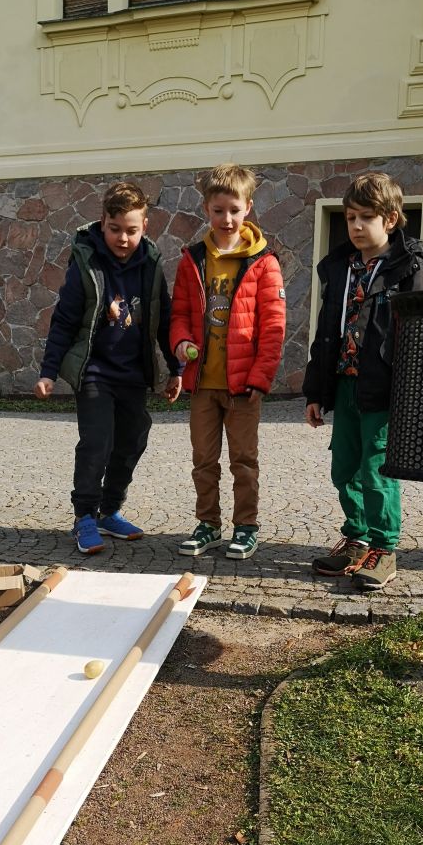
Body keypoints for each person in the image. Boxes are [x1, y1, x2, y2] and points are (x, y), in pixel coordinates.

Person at [34, 180, 181, 554]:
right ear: (103, 223)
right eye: (115, 229)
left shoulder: (151, 265)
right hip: (95, 373)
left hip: (133, 374)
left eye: (131, 230)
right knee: (97, 442)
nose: (123, 238)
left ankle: (109, 510)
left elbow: (163, 320)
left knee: (133, 439)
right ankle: (84, 515)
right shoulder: (87, 263)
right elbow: (64, 321)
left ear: (145, 226)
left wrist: (175, 369)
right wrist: (48, 372)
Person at [303, 172, 423, 591]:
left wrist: (413, 397)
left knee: (377, 469)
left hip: (384, 389)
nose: (356, 226)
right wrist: (315, 392)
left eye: (366, 217)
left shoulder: (409, 267)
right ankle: (356, 539)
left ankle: (383, 547)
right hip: (345, 384)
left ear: (390, 219)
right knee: (344, 468)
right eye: (350, 217)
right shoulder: (340, 267)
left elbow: (420, 338)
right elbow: (326, 333)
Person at [170, 163, 286, 560]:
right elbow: (179, 314)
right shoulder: (192, 259)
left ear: (248, 207)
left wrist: (260, 378)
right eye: (218, 210)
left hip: (243, 386)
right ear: (206, 208)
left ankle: (246, 526)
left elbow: (273, 328)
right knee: (203, 460)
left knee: (243, 461)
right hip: (203, 383)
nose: (227, 219)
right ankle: (208, 524)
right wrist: (181, 342)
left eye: (234, 210)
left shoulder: (264, 262)